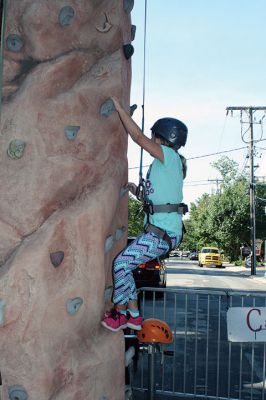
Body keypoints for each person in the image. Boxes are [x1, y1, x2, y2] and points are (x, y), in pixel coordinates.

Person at [101, 97, 188, 332]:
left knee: (121, 264)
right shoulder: (161, 166)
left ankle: (124, 314)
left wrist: (120, 111)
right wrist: (138, 192)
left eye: (154, 137)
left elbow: (138, 138)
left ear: (164, 138)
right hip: (159, 232)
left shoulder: (168, 157)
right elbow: (160, 200)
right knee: (123, 265)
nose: (151, 140)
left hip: (164, 234)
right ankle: (132, 315)